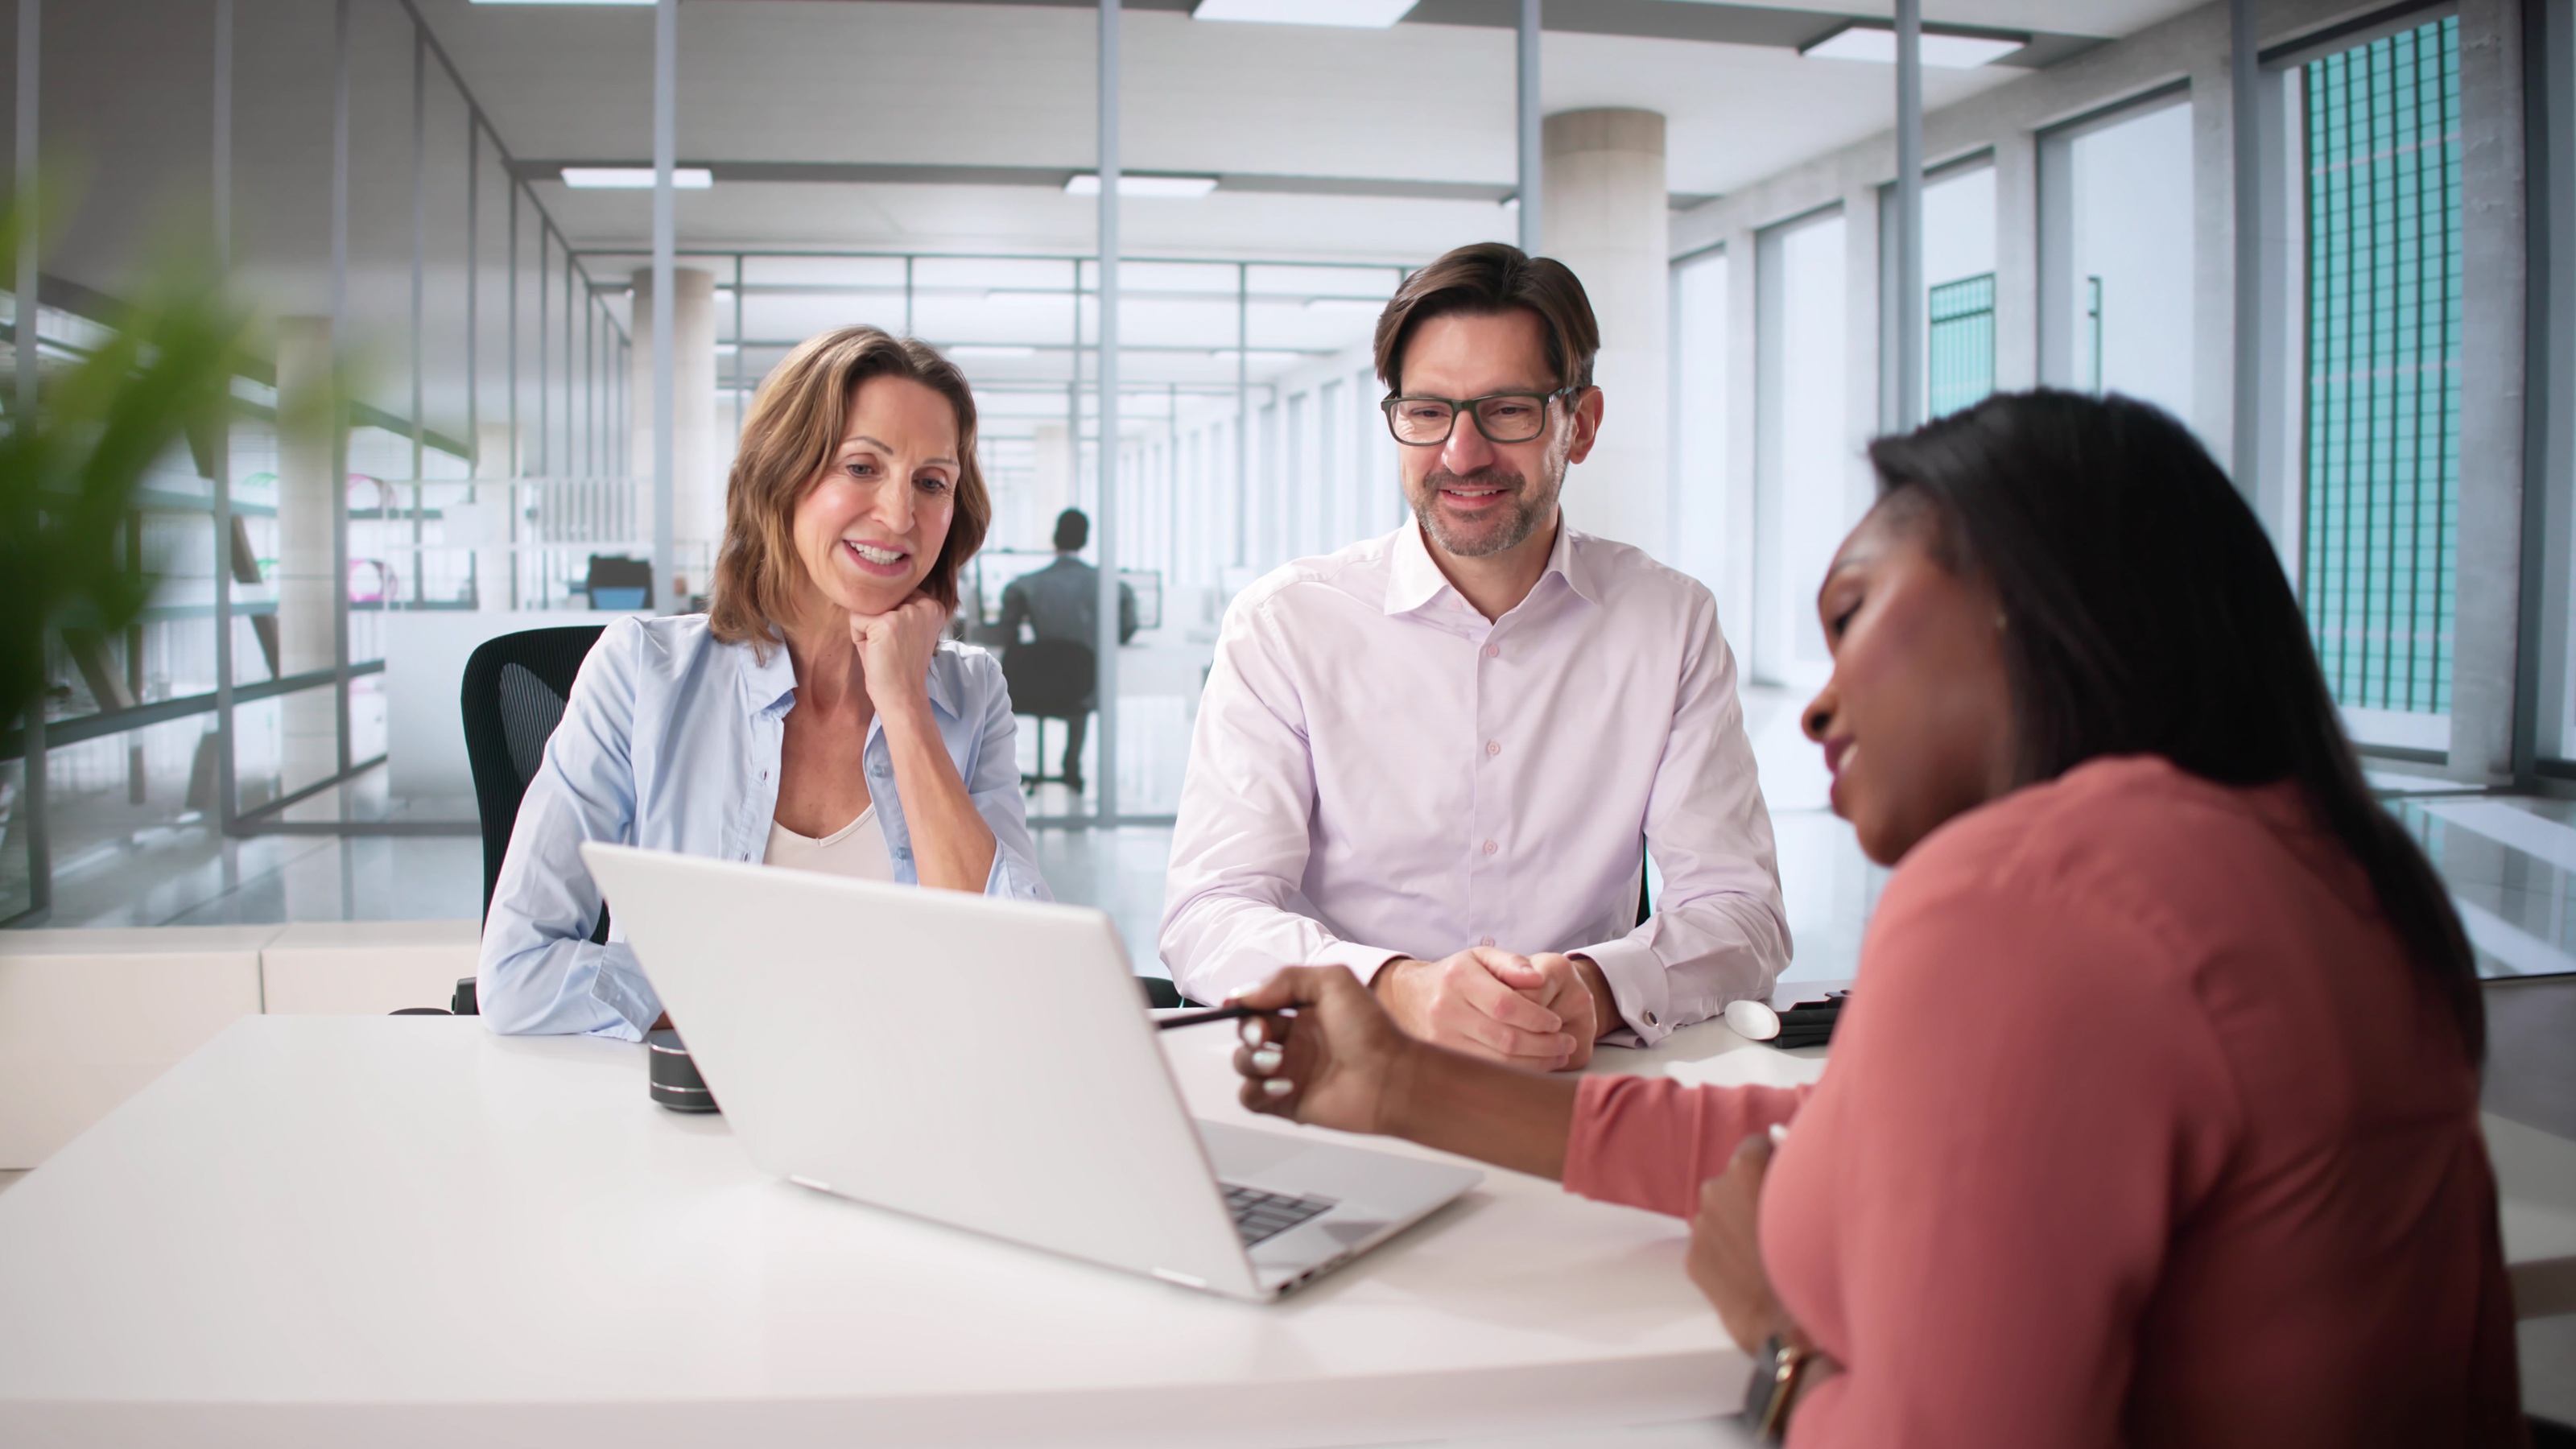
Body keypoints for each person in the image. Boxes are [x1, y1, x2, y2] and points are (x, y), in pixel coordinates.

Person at [1226, 392, 2523, 1445]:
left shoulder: (2032, 891)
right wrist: (1402, 1085)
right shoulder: (2326, 877)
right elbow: (1852, 1140)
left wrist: (1779, 1342)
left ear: (2028, 599)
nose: (1819, 703)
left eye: (1854, 618)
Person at [1159, 242, 1787, 1067]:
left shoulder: (1666, 622)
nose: (1461, 453)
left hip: (1570, 1080)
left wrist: (1596, 987)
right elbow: (1210, 912)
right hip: (1341, 1076)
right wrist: (1396, 988)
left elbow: (1739, 910)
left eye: (1507, 410)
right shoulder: (1287, 624)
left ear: (1581, 424)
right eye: (1426, 412)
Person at [479, 326, 1051, 1039]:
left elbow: (1015, 972)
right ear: (783, 475)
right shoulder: (640, 673)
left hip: (908, 1114)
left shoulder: (970, 695)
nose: (900, 515)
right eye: (862, 467)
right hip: (699, 1115)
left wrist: (905, 707)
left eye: (931, 482)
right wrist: (751, 1016)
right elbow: (518, 971)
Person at [995, 508, 1137, 791]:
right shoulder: (1113, 586)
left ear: (1054, 538)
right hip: (1084, 686)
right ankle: (1071, 764)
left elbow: (1005, 629)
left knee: (1055, 679)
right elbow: (1127, 629)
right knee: (1080, 685)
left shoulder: (1026, 585)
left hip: (1035, 683)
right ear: (1085, 540)